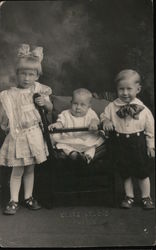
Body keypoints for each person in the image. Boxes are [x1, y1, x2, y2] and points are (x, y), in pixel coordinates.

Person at [0, 44, 53, 215]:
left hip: (34, 134)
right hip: (18, 135)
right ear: (17, 74)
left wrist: (45, 103)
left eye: (31, 74)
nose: (27, 78)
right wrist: (7, 119)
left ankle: (28, 197)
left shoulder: (39, 90)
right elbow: (6, 115)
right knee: (18, 169)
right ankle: (13, 199)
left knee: (31, 168)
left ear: (37, 76)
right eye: (23, 73)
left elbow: (50, 109)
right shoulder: (10, 94)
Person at [100, 69, 155, 209]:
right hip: (120, 143)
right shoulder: (112, 107)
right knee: (125, 172)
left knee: (142, 172)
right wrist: (106, 121)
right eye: (121, 89)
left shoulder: (143, 109)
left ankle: (146, 197)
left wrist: (150, 146)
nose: (125, 93)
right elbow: (103, 116)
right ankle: (129, 197)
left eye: (129, 89)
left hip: (138, 144)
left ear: (138, 89)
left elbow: (150, 129)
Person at [49, 88, 104, 164]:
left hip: (86, 141)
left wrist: (94, 123)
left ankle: (87, 157)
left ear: (89, 106)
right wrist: (57, 125)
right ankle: (73, 154)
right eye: (75, 103)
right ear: (71, 103)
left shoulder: (90, 113)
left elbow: (95, 120)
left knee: (92, 147)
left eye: (82, 105)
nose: (78, 107)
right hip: (70, 140)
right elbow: (60, 122)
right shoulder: (65, 114)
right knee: (62, 145)